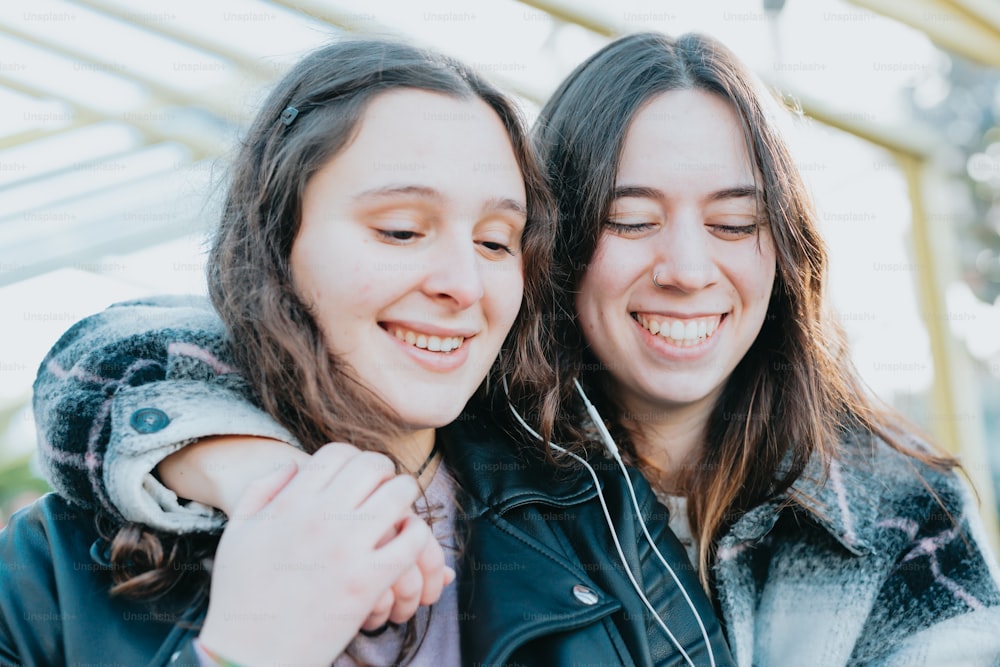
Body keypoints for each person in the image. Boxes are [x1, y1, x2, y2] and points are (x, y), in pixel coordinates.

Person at [0, 38, 731, 667]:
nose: (461, 284)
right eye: (401, 230)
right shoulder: (52, 571)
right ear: (276, 244)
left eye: (495, 241)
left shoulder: (599, 520)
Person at [533, 31, 1000, 666]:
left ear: (785, 249)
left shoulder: (906, 510)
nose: (688, 270)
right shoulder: (460, 491)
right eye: (632, 220)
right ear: (553, 238)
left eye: (734, 225)